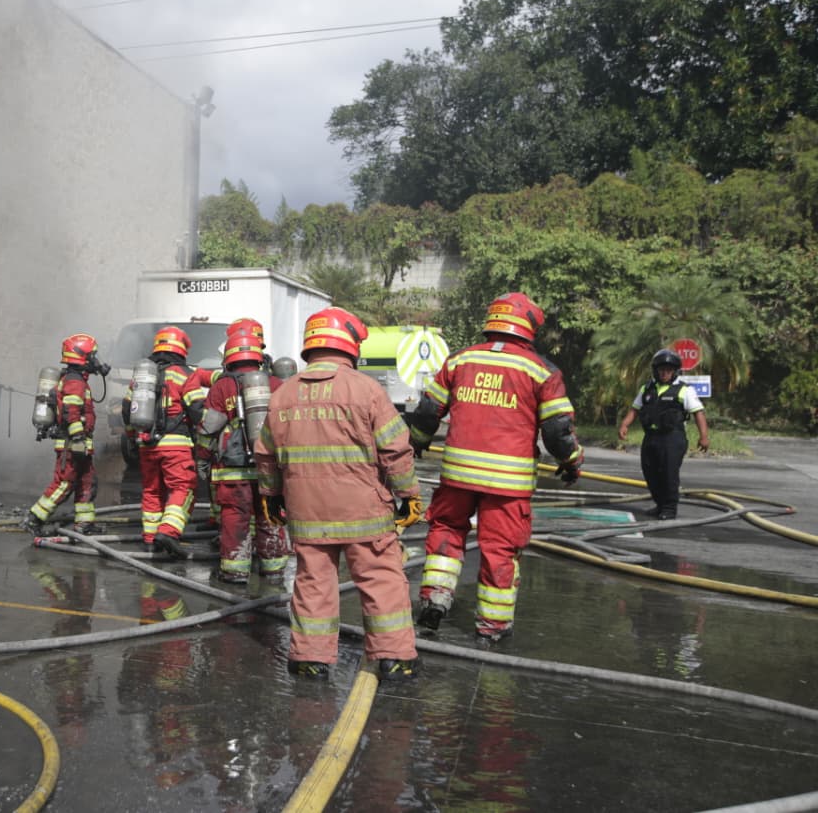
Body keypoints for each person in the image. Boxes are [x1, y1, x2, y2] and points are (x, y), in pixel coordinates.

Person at [253, 307, 424, 683]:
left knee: (313, 583)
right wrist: (409, 494)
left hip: (307, 514)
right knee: (381, 580)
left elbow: (265, 455)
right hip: (365, 512)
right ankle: (394, 657)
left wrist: (271, 496)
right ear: (349, 345)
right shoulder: (367, 390)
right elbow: (395, 449)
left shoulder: (283, 395)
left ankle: (311, 659)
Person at [406, 292, 584, 644]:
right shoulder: (541, 370)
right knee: (499, 549)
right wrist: (571, 460)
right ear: (528, 328)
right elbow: (557, 430)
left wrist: (419, 440)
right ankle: (492, 626)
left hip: (457, 476)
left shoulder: (460, 361)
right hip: (508, 485)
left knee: (446, 531)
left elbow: (428, 411)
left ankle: (435, 598)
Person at [196, 329, 288, 583]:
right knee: (270, 516)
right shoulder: (275, 384)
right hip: (270, 467)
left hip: (234, 471)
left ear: (229, 358)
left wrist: (202, 458)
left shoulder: (222, 386)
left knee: (235, 519)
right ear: (259, 357)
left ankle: (235, 570)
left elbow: (209, 428)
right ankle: (273, 568)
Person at [123, 326, 199, 556]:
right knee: (183, 488)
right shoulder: (185, 374)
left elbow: (128, 410)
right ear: (182, 349)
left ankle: (150, 538)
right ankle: (168, 532)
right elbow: (196, 409)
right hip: (176, 445)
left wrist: (132, 438)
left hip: (147, 443)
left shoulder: (144, 374)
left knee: (152, 490)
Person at [20, 334, 104, 537]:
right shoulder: (74, 381)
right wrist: (77, 438)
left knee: (87, 482)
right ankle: (34, 518)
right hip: (72, 443)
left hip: (80, 443)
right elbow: (71, 410)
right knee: (64, 484)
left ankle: (84, 525)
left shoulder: (77, 379)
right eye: (92, 355)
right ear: (82, 356)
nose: (95, 359)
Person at [617, 348, 710, 520]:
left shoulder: (684, 390)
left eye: (669, 370)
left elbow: (699, 412)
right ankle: (660, 503)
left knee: (668, 473)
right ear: (656, 370)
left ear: (675, 371)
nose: (665, 373)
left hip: (672, 437)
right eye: (661, 370)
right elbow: (634, 409)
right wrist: (624, 425)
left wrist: (703, 436)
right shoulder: (647, 388)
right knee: (650, 471)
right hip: (651, 437)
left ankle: (669, 508)